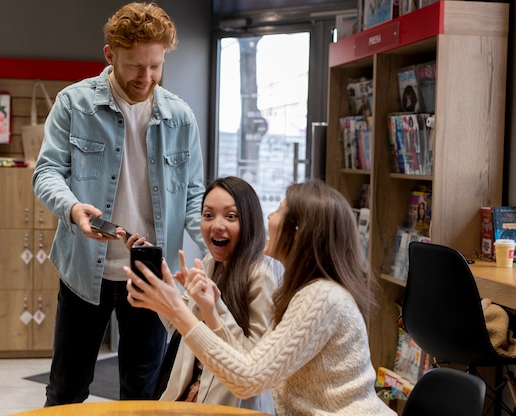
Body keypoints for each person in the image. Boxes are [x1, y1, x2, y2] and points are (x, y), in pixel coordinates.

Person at [32, 2, 207, 406]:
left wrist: (220, 243)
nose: (146, 78)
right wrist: (74, 210)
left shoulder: (180, 117)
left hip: (149, 272)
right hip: (83, 270)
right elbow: (46, 173)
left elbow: (194, 195)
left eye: (156, 66)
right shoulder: (74, 104)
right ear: (110, 55)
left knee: (143, 394)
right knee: (66, 389)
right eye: (135, 66)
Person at [125, 179, 397, 416]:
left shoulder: (320, 297)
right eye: (208, 214)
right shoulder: (306, 291)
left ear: (298, 231)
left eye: (279, 210)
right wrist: (205, 310)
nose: (269, 218)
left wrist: (179, 312)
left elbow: (248, 380)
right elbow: (250, 363)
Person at [157, 176, 281, 413]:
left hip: (232, 405)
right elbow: (186, 334)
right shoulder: (208, 263)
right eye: (208, 215)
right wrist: (167, 297)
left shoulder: (261, 276)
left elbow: (254, 366)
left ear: (249, 221)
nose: (217, 225)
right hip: (188, 395)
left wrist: (214, 309)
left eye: (231, 216)